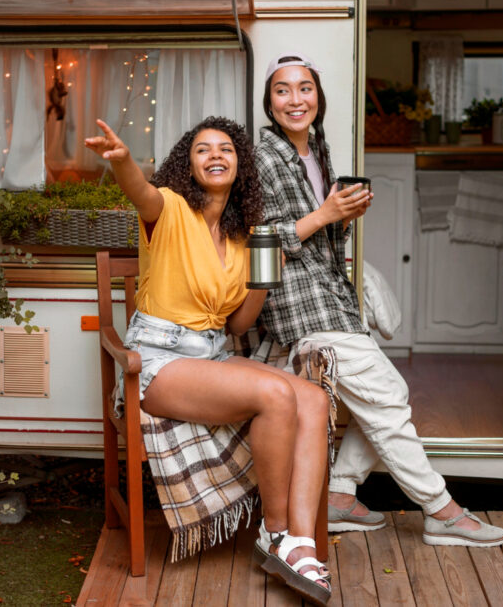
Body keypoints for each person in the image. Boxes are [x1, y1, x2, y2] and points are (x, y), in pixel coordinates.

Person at [254, 53, 503, 547]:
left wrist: (342, 217)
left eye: (304, 88)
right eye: (282, 91)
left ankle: (341, 495)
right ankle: (442, 511)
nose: (295, 99)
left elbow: (320, 235)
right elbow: (259, 241)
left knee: (388, 395)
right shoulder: (265, 155)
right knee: (388, 399)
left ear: (318, 97)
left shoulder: (315, 147)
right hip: (299, 302)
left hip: (331, 295)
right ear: (269, 102)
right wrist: (325, 215)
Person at [85, 116, 333, 605]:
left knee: (314, 398)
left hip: (213, 356)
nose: (216, 155)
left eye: (227, 148)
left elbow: (239, 327)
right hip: (155, 364)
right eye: (203, 149)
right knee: (276, 392)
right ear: (187, 163)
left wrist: (264, 279)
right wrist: (122, 162)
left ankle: (299, 542)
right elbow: (142, 193)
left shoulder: (245, 237)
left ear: (241, 166)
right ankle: (275, 531)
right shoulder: (170, 209)